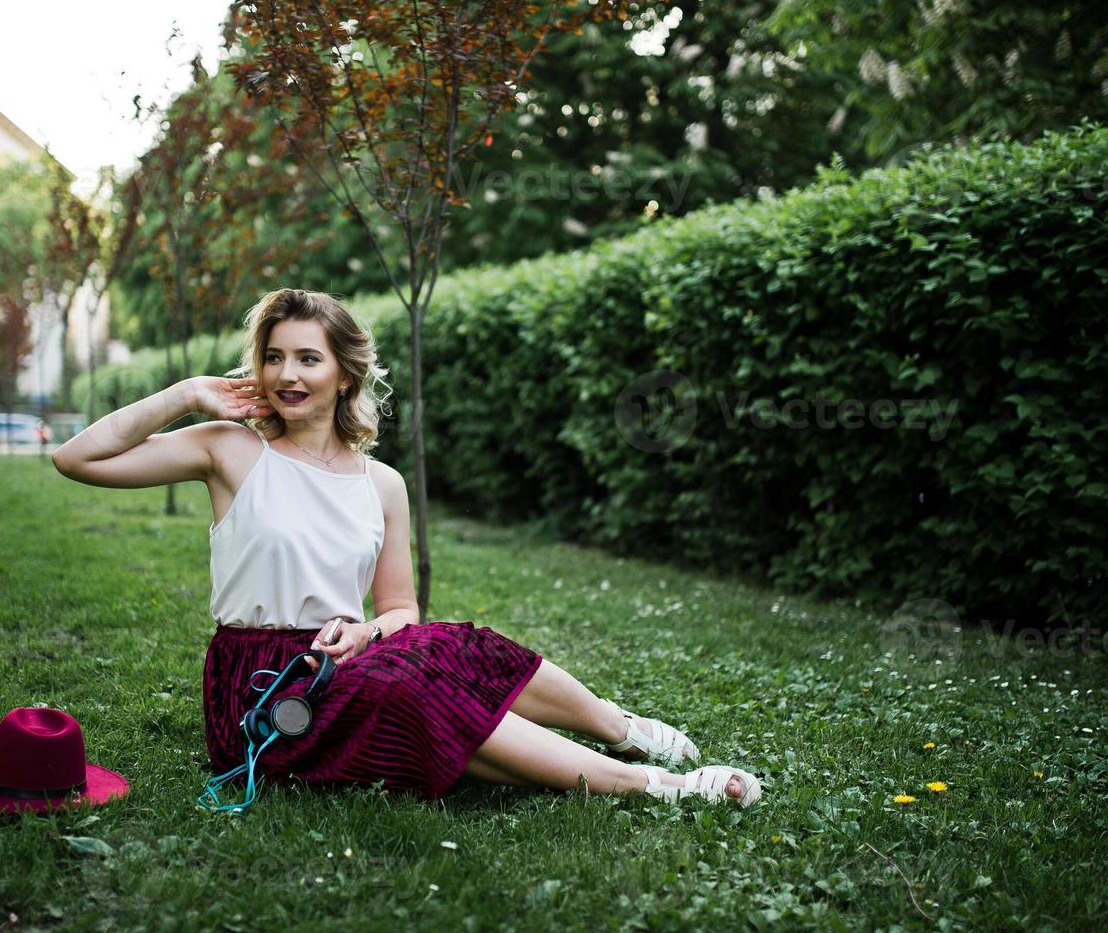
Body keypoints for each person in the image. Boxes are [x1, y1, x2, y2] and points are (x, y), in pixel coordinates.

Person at [52, 288, 760, 809]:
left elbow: (399, 608)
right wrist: (185, 393)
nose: (288, 375)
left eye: (307, 357)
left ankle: (620, 728)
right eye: (273, 358)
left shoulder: (382, 482)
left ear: (344, 373)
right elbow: (77, 459)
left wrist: (366, 630)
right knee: (413, 690)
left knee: (460, 644)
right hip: (264, 685)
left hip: (348, 651)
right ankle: (653, 785)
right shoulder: (229, 451)